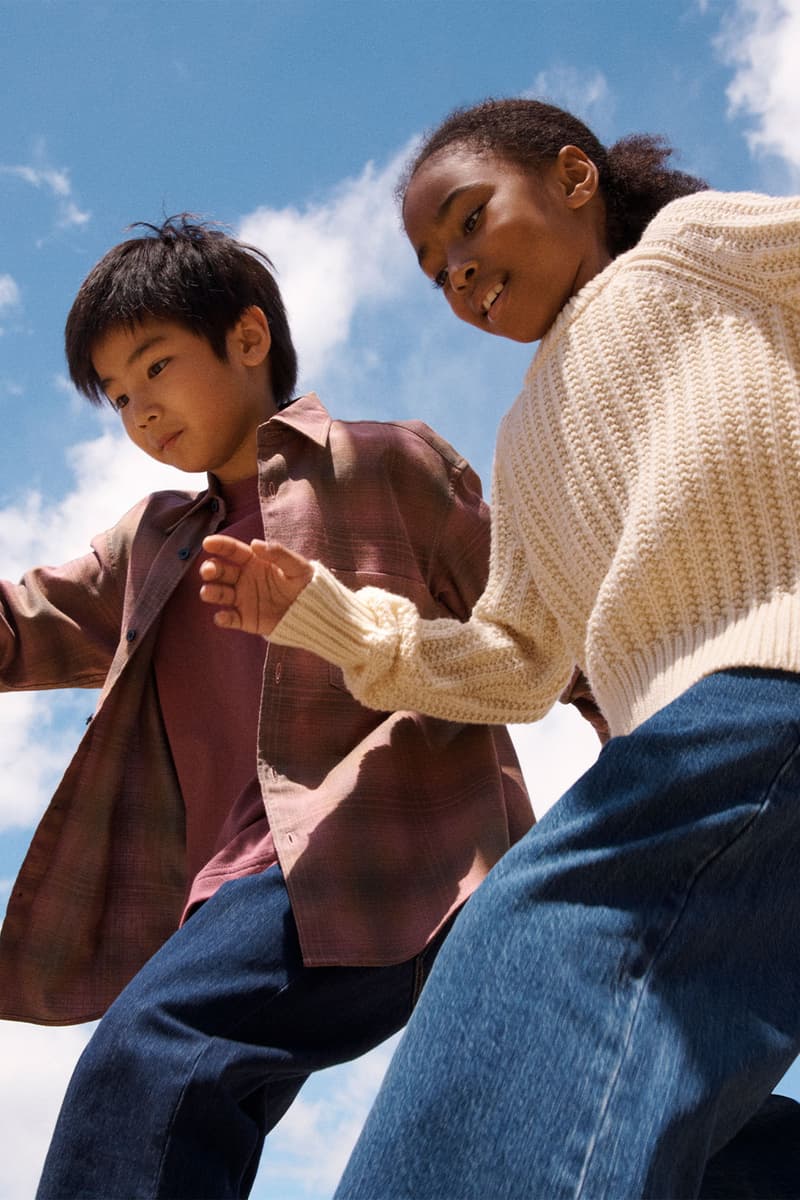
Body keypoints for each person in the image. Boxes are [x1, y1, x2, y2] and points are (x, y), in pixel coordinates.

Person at [199, 99, 800, 1198]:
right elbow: (515, 656)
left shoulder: (697, 251)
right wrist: (323, 616)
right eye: (436, 273)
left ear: (574, 177)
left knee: (531, 945)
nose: (461, 275)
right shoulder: (525, 440)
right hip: (690, 739)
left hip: (763, 696)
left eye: (471, 225)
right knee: (681, 1114)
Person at [0, 214, 536, 1199]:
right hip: (228, 899)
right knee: (604, 1102)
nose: (140, 411)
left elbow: (542, 618)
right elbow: (23, 622)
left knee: (153, 1052)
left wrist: (656, 756)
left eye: (156, 367)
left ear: (247, 340)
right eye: (118, 397)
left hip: (390, 856)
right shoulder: (156, 541)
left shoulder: (382, 463)